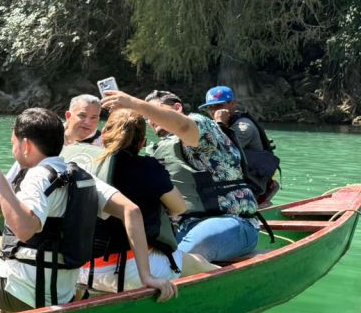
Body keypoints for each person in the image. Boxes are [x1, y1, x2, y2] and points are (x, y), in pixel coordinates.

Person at [0, 108, 176, 313]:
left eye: (13, 142)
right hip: (62, 289)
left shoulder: (38, 176)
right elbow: (131, 210)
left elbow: (25, 229)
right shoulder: (79, 174)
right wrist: (147, 277)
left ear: (25, 145)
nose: (13, 148)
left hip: (27, 294)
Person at [102, 89, 262, 263]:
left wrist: (134, 104)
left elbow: (183, 126)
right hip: (179, 227)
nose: (151, 120)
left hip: (230, 222)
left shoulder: (201, 125)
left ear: (177, 108)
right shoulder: (156, 149)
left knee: (174, 261)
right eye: (147, 117)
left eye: (154, 111)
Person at [71, 109, 215, 293]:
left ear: (104, 134)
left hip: (80, 270)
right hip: (129, 271)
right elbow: (179, 208)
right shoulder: (148, 168)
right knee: (198, 262)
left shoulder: (82, 164)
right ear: (142, 142)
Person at [199, 85, 280, 204]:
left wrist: (219, 123)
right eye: (209, 107)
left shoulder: (243, 127)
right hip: (234, 180)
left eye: (219, 106)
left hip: (251, 185)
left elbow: (218, 151)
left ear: (233, 104)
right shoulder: (223, 124)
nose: (214, 111)